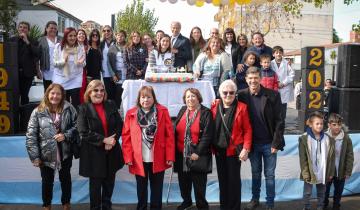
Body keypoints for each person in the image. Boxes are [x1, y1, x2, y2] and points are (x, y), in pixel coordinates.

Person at [237, 67, 285, 210]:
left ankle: (270, 203)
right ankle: (255, 199)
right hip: (253, 144)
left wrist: (276, 143)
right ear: (246, 79)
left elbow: (279, 121)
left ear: (260, 78)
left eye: (256, 77)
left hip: (269, 143)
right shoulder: (241, 95)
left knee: (269, 176)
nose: (253, 81)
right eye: (250, 78)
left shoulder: (273, 95)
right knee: (255, 173)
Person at [26, 83, 78, 210]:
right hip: (45, 154)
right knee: (47, 182)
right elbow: (31, 135)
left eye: (58, 93)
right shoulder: (38, 111)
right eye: (52, 93)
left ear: (62, 95)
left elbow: (78, 126)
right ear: (47, 94)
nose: (55, 96)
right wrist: (35, 156)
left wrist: (65, 135)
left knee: (66, 180)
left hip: (65, 152)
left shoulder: (69, 108)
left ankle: (66, 204)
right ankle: (46, 205)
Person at [122, 86, 175, 210]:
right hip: (138, 158)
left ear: (154, 98)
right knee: (141, 188)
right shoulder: (131, 113)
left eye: (149, 97)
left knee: (157, 188)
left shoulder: (163, 111)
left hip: (158, 157)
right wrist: (128, 156)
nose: (146, 100)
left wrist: (170, 156)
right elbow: (126, 137)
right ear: (139, 99)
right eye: (143, 97)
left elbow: (169, 136)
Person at [77, 79, 124, 210]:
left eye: (102, 90)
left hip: (112, 152)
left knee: (109, 186)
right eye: (95, 90)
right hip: (94, 155)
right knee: (95, 189)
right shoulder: (83, 108)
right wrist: (104, 140)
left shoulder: (111, 104)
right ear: (89, 92)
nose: (99, 93)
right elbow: (83, 131)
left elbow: (120, 125)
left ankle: (107, 207)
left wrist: (112, 141)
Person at [211, 80, 252, 210]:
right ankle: (224, 207)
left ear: (235, 93)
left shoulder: (242, 107)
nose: (228, 95)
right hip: (219, 150)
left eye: (231, 92)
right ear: (220, 93)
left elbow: (248, 130)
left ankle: (234, 207)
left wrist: (246, 148)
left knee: (233, 182)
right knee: (222, 181)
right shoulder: (214, 105)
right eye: (225, 92)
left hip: (234, 151)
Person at [174, 88, 214, 210]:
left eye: (193, 96)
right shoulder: (183, 110)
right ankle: (187, 201)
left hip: (198, 155)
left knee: (199, 184)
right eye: (187, 97)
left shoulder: (206, 113)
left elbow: (207, 135)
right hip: (181, 154)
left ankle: (201, 205)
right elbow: (176, 130)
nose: (190, 99)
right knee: (183, 182)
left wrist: (197, 152)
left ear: (198, 98)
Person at [298, 111, 335, 210]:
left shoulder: (328, 139)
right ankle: (306, 207)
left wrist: (330, 172)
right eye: (317, 124)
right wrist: (305, 173)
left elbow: (331, 158)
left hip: (323, 171)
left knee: (322, 192)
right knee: (307, 192)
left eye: (321, 123)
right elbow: (303, 159)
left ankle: (320, 206)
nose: (319, 126)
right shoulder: (304, 139)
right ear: (310, 124)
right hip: (310, 171)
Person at [324, 113, 354, 210]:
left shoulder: (346, 138)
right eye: (334, 124)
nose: (337, 127)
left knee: (339, 190)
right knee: (325, 190)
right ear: (329, 125)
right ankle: (324, 204)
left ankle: (336, 205)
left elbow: (350, 155)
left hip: (340, 170)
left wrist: (348, 171)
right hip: (328, 170)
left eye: (339, 124)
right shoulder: (324, 137)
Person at [52, 27, 86, 108]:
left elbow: (84, 63)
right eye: (70, 36)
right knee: (63, 103)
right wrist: (63, 61)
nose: (73, 38)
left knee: (76, 102)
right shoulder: (58, 47)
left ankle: (76, 119)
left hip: (75, 78)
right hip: (61, 78)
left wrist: (80, 63)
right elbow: (54, 63)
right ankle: (64, 119)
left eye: (74, 35)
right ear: (66, 36)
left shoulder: (80, 47)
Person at [10, 21, 39, 105]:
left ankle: (24, 117)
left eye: (25, 27)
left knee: (24, 96)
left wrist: (27, 41)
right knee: (14, 96)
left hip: (27, 74)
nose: (22, 29)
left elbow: (36, 54)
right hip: (14, 74)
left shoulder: (33, 41)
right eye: (21, 27)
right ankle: (15, 117)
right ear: (18, 29)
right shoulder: (12, 40)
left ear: (28, 30)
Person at [271, 46, 295, 123]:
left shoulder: (286, 63)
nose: (278, 54)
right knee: (274, 110)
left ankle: (282, 127)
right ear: (273, 54)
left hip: (284, 88)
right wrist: (276, 83)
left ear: (282, 54)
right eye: (276, 52)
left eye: (280, 52)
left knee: (283, 110)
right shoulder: (270, 63)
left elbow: (292, 74)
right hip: (274, 88)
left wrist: (283, 83)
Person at [38, 21, 60, 91]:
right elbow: (36, 56)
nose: (53, 30)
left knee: (59, 91)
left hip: (59, 71)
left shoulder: (60, 40)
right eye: (51, 28)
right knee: (48, 91)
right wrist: (38, 71)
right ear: (46, 29)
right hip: (47, 71)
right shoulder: (41, 40)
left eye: (55, 28)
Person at [108, 30, 128, 108]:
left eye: (122, 36)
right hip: (118, 74)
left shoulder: (128, 46)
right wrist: (113, 75)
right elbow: (108, 63)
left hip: (127, 73)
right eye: (118, 35)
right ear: (116, 36)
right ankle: (117, 110)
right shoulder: (112, 47)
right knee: (118, 93)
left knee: (127, 93)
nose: (120, 37)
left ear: (125, 37)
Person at [100, 25, 116, 101]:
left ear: (111, 32)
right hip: (105, 72)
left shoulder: (116, 42)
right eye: (104, 31)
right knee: (108, 93)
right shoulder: (101, 43)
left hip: (115, 72)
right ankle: (110, 111)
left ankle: (116, 110)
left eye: (108, 30)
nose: (106, 32)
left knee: (116, 92)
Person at [77, 29, 89, 104]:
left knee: (83, 89)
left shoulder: (85, 46)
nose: (81, 35)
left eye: (83, 34)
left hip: (82, 71)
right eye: (79, 34)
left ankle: (82, 107)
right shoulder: (75, 46)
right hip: (75, 71)